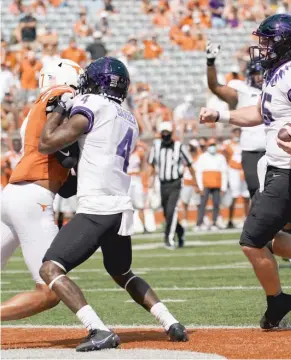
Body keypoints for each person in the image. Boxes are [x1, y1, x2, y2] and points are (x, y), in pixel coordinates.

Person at [199, 14, 291, 329]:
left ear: (282, 43)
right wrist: (220, 115)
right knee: (266, 238)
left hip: (289, 174)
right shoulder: (277, 73)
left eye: (266, 40)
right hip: (279, 171)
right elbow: (260, 112)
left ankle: (277, 301)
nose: (261, 47)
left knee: (251, 241)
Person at [37, 57, 188, 352]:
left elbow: (48, 142)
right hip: (121, 208)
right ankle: (171, 322)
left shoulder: (92, 105)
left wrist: (56, 110)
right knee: (122, 273)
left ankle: (98, 329)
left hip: (98, 207)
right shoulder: (128, 115)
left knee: (50, 270)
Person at [1, 59, 82, 321]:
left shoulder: (37, 107)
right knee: (50, 290)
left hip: (12, 194)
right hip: (34, 199)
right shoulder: (62, 95)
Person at [205, 41, 265, 200]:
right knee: (257, 193)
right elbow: (215, 87)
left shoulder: (275, 88)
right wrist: (210, 63)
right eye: (256, 74)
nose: (259, 78)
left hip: (275, 148)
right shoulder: (242, 90)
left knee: (282, 194)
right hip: (251, 149)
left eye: (262, 73)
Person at [149, 121, 197, 248]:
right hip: (162, 183)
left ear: (171, 133)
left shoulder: (179, 146)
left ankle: (168, 239)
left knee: (171, 211)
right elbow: (152, 165)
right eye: (163, 132)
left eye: (167, 132)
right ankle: (180, 232)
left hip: (175, 183)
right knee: (166, 213)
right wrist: (150, 182)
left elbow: (190, 165)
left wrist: (196, 183)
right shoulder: (156, 146)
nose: (165, 135)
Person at [195, 139, 227, 231]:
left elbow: (224, 172)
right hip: (205, 185)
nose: (212, 147)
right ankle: (199, 223)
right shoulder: (202, 157)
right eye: (210, 145)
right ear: (207, 146)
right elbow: (199, 172)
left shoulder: (221, 157)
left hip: (217, 185)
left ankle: (214, 223)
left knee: (216, 204)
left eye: (213, 144)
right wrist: (200, 186)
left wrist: (223, 187)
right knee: (202, 204)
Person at [222, 128, 250, 228]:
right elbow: (225, 154)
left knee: (246, 196)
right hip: (233, 170)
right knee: (234, 195)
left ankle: (247, 219)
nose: (237, 134)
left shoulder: (246, 143)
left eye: (239, 132)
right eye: (235, 132)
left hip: (244, 169)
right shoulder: (228, 143)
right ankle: (230, 220)